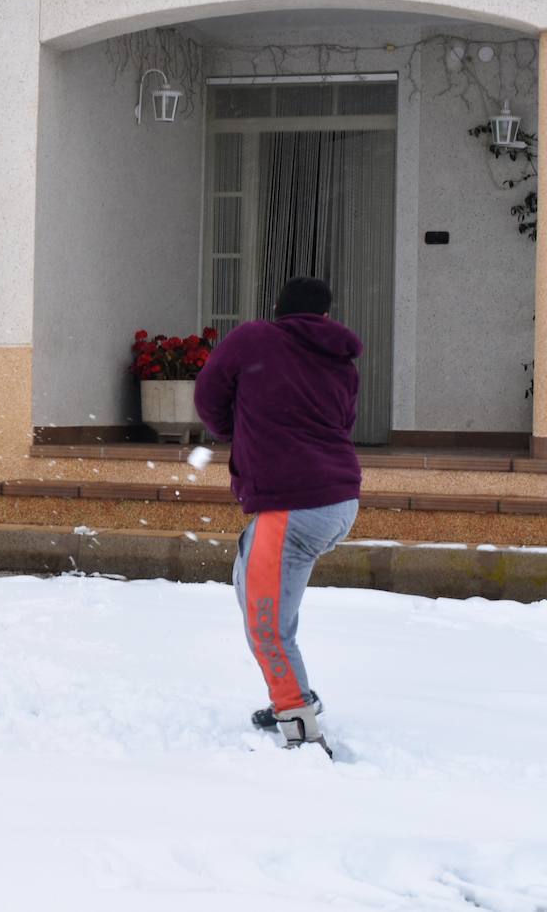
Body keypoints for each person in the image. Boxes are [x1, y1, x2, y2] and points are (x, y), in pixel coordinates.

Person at [193, 276, 362, 755]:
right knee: (251, 586)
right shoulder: (342, 361)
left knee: (267, 626)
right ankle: (293, 693)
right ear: (325, 316)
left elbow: (208, 396)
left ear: (279, 310)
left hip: (294, 506)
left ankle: (298, 722)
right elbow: (342, 425)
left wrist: (232, 429)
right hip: (338, 502)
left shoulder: (255, 338)